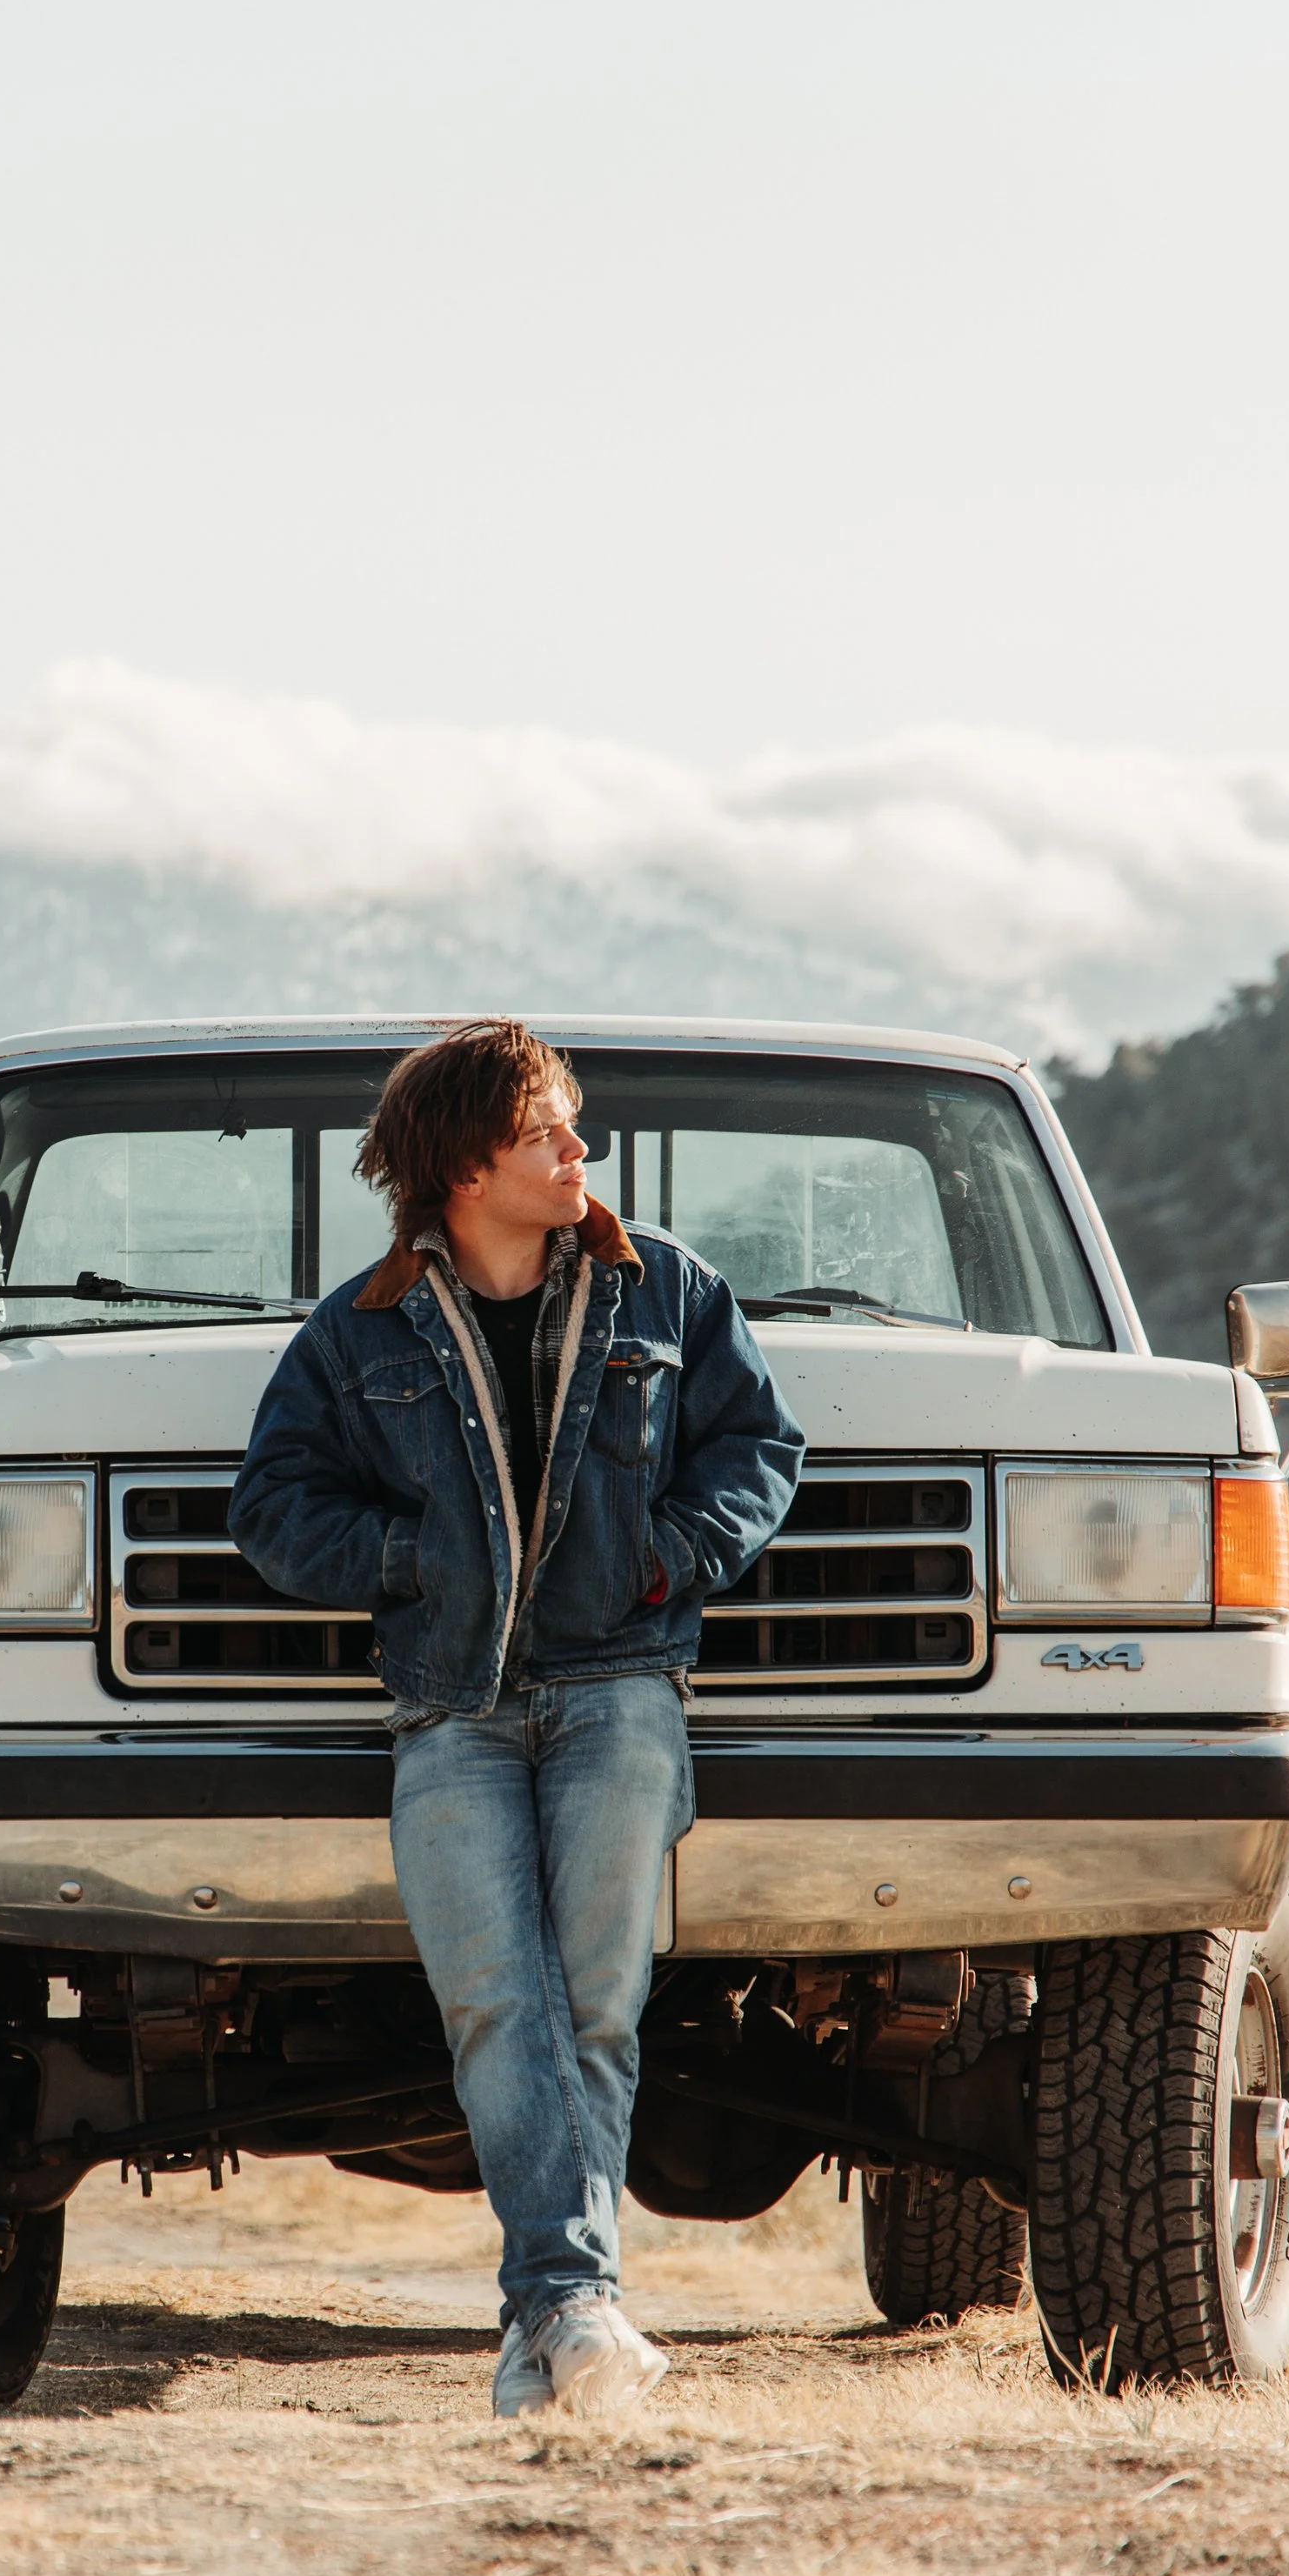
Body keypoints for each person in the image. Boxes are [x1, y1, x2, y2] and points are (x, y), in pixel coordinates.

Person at [229, 1020, 805, 2419]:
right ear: (469, 1160)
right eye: (552, 1129)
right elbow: (273, 1507)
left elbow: (759, 1448)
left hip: (621, 1689)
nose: (580, 1153)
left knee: (597, 2004)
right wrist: (407, 1562)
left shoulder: (662, 1287)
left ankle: (549, 2318)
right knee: (497, 2004)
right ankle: (569, 2311)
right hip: (450, 1706)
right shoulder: (359, 1330)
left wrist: (668, 1556)